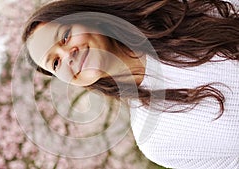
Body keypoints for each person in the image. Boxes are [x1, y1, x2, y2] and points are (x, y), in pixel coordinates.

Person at [21, 0, 239, 168]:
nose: (68, 56)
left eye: (66, 36)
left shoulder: (188, 9)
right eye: (56, 62)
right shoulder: (157, 142)